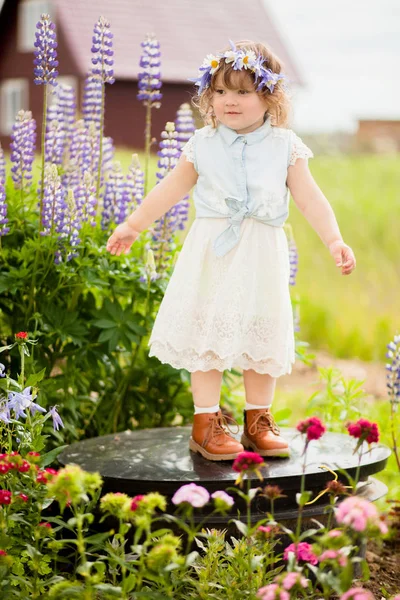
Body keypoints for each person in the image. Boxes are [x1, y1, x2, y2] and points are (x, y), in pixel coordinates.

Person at [106, 40, 356, 462]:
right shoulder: (202, 144)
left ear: (269, 97)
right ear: (208, 97)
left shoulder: (284, 145)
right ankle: (206, 423)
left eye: (242, 91)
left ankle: (257, 421)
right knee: (208, 334)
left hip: (261, 252)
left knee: (261, 332)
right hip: (212, 252)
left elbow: (310, 198)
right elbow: (170, 189)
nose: (229, 101)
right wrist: (133, 225)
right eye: (220, 92)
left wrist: (334, 239)